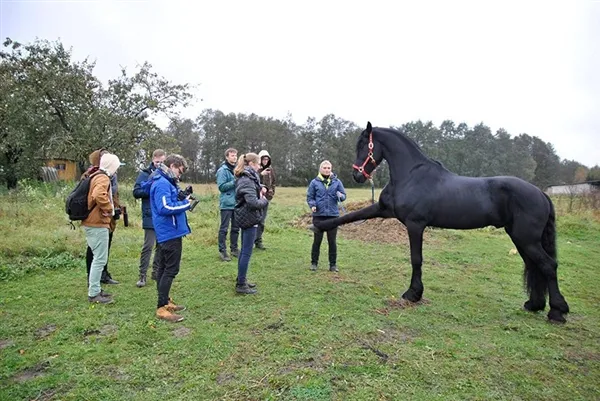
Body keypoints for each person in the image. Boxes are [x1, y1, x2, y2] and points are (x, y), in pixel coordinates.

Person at [150, 154, 191, 323]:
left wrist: (180, 198)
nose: (180, 175)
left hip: (168, 231)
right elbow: (164, 207)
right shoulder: (162, 183)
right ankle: (161, 307)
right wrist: (187, 204)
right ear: (173, 165)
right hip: (169, 232)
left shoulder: (166, 181)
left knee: (163, 268)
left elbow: (170, 201)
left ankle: (165, 300)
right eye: (179, 171)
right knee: (170, 270)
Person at [82, 153, 122, 304]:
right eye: (116, 166)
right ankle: (93, 294)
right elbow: (98, 194)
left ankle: (96, 289)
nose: (117, 170)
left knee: (98, 258)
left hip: (93, 222)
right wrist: (109, 208)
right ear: (111, 166)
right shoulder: (103, 178)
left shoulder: (96, 175)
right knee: (99, 259)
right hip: (97, 223)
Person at [234, 153, 269, 294]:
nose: (260, 166)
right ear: (251, 164)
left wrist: (260, 186)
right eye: (258, 164)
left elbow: (252, 188)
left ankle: (241, 279)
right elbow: (253, 203)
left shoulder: (248, 177)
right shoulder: (246, 180)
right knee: (246, 252)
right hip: (249, 218)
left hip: (247, 217)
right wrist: (264, 200)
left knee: (244, 251)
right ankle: (241, 284)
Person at [133, 149, 166, 287]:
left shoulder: (166, 174)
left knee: (161, 245)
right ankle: (142, 275)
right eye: (157, 162)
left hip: (162, 214)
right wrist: (151, 188)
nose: (159, 164)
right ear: (153, 160)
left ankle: (156, 271)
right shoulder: (145, 174)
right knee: (148, 245)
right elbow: (136, 192)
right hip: (150, 214)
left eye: (162, 162)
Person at [306, 160, 347, 272]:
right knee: (317, 241)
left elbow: (344, 196)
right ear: (320, 169)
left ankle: (333, 265)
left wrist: (341, 195)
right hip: (319, 216)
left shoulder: (337, 182)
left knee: (332, 241)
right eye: (324, 168)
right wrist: (313, 205)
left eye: (329, 168)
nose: (327, 170)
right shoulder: (314, 182)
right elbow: (310, 197)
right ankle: (314, 263)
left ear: (331, 169)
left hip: (333, 216)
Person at [216, 148, 240, 262]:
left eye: (235, 155)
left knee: (236, 228)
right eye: (232, 155)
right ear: (227, 157)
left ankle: (234, 249)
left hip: (237, 203)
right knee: (224, 228)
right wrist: (234, 181)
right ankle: (222, 250)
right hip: (226, 203)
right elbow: (221, 187)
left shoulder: (238, 169)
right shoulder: (222, 170)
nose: (234, 157)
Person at [255, 149, 275, 250]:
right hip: (255, 199)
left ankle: (259, 241)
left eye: (267, 159)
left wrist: (271, 193)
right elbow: (251, 180)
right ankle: (251, 240)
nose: (265, 161)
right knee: (254, 220)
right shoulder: (255, 169)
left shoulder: (271, 170)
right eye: (264, 159)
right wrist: (260, 174)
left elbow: (273, 182)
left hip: (266, 199)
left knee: (262, 221)